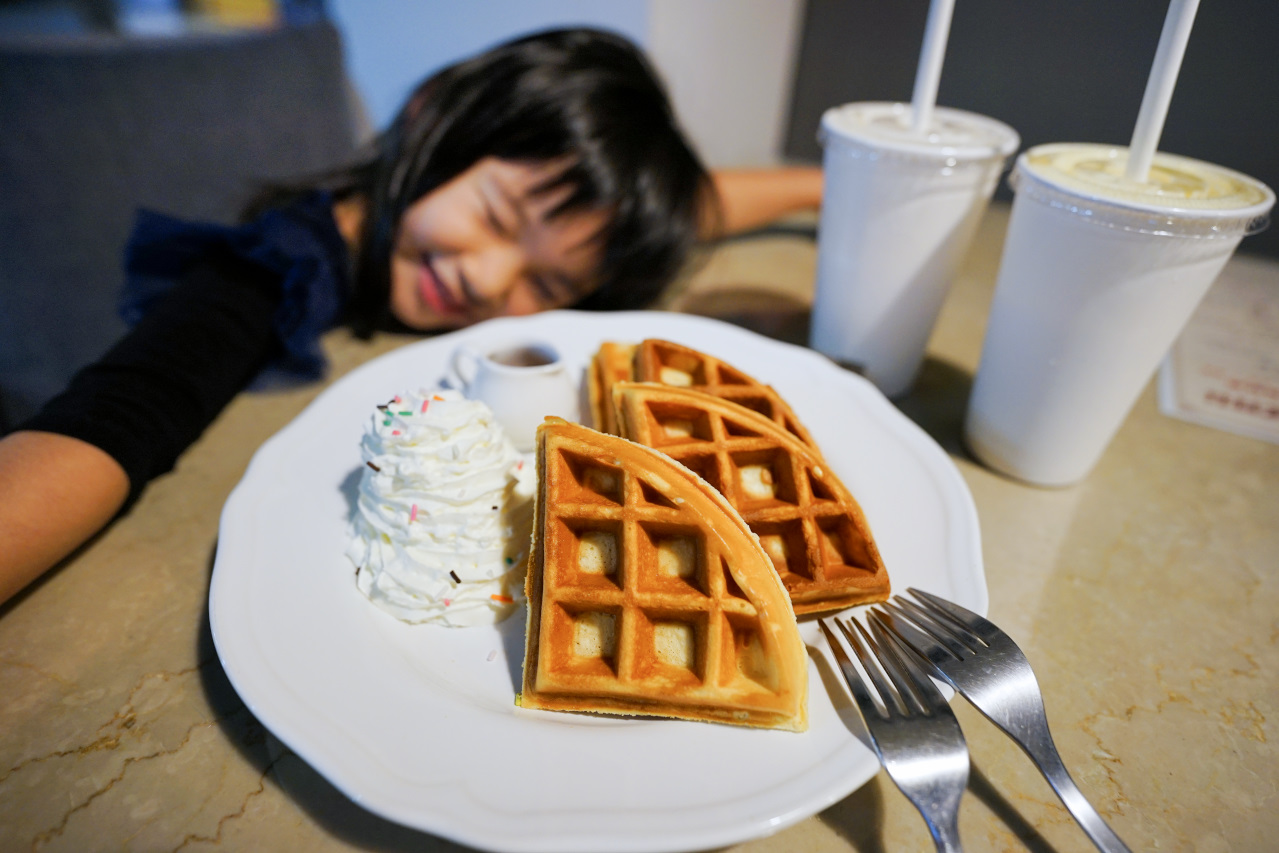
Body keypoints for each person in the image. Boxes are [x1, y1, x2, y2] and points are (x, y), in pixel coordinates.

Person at [0, 27, 822, 606]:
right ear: (430, 117)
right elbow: (114, 418)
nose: (489, 279)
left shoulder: (547, 227)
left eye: (549, 279)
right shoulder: (272, 269)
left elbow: (678, 212)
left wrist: (826, 186)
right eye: (497, 217)